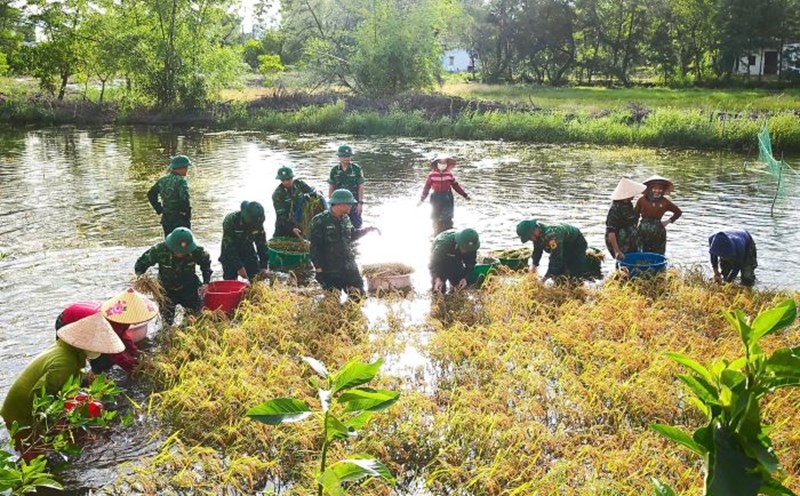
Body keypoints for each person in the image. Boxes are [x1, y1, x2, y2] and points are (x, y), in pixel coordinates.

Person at [2, 312, 124, 450]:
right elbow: (39, 397)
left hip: (22, 404)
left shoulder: (65, 349)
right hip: (20, 413)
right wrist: (53, 425)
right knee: (34, 453)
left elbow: (64, 384)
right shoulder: (66, 362)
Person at [55, 289, 157, 374]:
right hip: (68, 322)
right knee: (78, 357)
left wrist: (135, 352)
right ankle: (91, 377)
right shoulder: (108, 321)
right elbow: (114, 351)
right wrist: (132, 368)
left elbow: (122, 336)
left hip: (86, 320)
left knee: (104, 356)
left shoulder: (121, 317)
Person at [309, 189, 379, 297]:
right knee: (332, 302)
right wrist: (319, 269)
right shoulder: (320, 221)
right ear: (339, 204)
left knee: (358, 297)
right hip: (330, 269)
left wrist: (367, 230)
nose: (351, 206)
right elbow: (314, 247)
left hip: (349, 267)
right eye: (349, 204)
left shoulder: (346, 218)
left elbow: (351, 235)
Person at [134, 227, 212, 325]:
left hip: (189, 287)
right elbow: (140, 264)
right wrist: (142, 278)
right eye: (178, 251)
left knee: (194, 319)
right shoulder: (159, 250)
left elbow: (206, 265)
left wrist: (206, 283)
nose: (181, 254)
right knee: (167, 323)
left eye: (184, 251)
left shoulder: (197, 251)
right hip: (166, 290)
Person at [517, 219, 597, 281]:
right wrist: (534, 266)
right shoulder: (537, 236)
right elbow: (537, 251)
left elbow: (555, 258)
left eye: (530, 237)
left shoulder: (552, 235)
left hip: (576, 243)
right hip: (564, 245)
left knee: (574, 274)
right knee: (559, 276)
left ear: (535, 229)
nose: (531, 239)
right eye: (529, 238)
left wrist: (544, 279)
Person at [418, 154, 472, 234]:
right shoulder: (432, 175)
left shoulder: (449, 174)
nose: (442, 165)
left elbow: (456, 186)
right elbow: (426, 188)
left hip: (447, 197)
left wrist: (465, 195)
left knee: (447, 218)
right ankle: (435, 234)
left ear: (447, 164)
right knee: (435, 218)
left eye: (444, 163)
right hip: (435, 197)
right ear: (437, 163)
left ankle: (448, 232)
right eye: (441, 162)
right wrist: (422, 200)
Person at [220, 201, 270, 281]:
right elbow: (229, 247)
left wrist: (264, 266)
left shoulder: (258, 222)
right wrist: (239, 267)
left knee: (256, 280)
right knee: (230, 281)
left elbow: (262, 245)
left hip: (248, 250)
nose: (254, 225)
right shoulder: (230, 220)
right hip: (230, 253)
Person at [148, 155, 193, 237]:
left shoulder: (162, 180)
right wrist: (186, 214)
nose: (187, 170)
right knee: (184, 243)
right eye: (186, 167)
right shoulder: (181, 181)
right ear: (181, 168)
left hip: (166, 218)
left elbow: (151, 194)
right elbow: (184, 199)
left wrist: (159, 208)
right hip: (180, 219)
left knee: (170, 243)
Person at [635, 175, 682, 254]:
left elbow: (678, 212)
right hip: (643, 229)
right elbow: (635, 215)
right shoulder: (642, 200)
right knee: (642, 251)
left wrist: (667, 222)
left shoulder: (665, 202)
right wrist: (634, 228)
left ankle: (657, 265)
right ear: (650, 189)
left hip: (658, 230)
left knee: (658, 252)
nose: (657, 191)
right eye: (655, 188)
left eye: (660, 189)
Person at [272, 166, 320, 238]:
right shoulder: (277, 194)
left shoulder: (299, 184)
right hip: (285, 225)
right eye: (283, 180)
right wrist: (292, 228)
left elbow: (312, 193)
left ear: (292, 177)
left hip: (301, 222)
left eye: (288, 179)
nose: (286, 182)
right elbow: (281, 216)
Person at [606, 178, 646, 260]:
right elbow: (611, 232)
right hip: (620, 240)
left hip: (630, 238)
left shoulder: (628, 204)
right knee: (623, 260)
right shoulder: (615, 209)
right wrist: (617, 250)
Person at [429, 228, 480, 293]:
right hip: (441, 259)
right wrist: (437, 278)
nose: (465, 251)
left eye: (467, 249)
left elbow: (471, 263)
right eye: (464, 248)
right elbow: (433, 263)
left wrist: (464, 277)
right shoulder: (443, 244)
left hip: (456, 259)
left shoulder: (472, 248)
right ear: (459, 243)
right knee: (439, 288)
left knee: (459, 286)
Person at [327, 145, 365, 228]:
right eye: (344, 156)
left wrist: (360, 203)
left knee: (357, 226)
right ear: (339, 157)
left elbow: (361, 187)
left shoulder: (356, 169)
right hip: (338, 204)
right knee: (338, 226)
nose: (346, 158)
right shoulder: (334, 170)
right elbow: (331, 187)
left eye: (348, 156)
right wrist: (330, 203)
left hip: (353, 203)